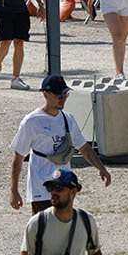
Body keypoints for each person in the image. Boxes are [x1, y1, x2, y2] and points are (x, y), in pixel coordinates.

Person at [10, 76, 111, 215]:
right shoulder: (31, 121)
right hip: (41, 189)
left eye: (65, 94)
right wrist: (14, 191)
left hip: (64, 188)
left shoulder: (68, 119)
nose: (62, 98)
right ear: (45, 94)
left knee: (64, 228)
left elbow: (84, 148)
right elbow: (18, 157)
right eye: (58, 94)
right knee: (43, 230)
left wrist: (101, 168)